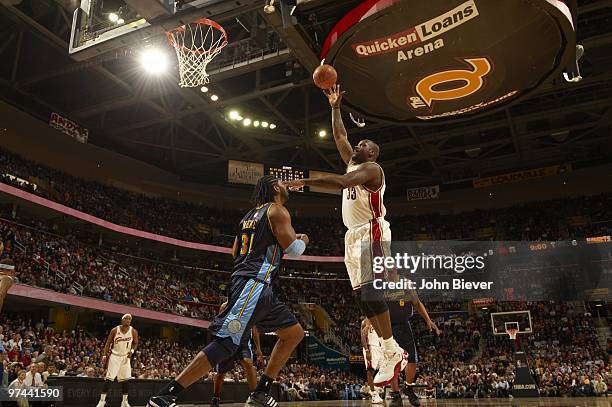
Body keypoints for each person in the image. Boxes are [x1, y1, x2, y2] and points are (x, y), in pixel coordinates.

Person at [148, 176, 308, 407]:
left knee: (294, 334)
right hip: (254, 285)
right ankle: (166, 394)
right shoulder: (277, 210)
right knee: (226, 342)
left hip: (258, 287)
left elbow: (235, 252)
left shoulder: (247, 217)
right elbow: (294, 249)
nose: (286, 186)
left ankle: (260, 392)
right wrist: (304, 238)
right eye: (283, 183)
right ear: (275, 188)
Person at [286, 84, 406, 385]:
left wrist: (306, 181)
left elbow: (340, 182)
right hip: (352, 235)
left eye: (363, 143)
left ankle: (392, 351)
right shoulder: (355, 161)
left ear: (372, 152)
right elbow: (340, 136)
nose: (358, 145)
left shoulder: (372, 169)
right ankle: (390, 350)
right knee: (360, 298)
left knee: (370, 291)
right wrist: (335, 106)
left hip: (373, 230)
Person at [388, 299, 441, 407]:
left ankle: (408, 387)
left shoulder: (406, 285)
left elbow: (417, 303)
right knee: (391, 363)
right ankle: (395, 395)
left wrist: (428, 320)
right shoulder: (380, 285)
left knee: (412, 361)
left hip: (404, 325)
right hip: (387, 326)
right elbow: (374, 305)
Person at [210, 301, 262, 407]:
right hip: (228, 340)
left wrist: (258, 348)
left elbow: (255, 329)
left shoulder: (251, 307)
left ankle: (254, 397)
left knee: (248, 363)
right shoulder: (225, 306)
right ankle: (215, 397)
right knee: (221, 373)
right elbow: (219, 322)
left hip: (244, 342)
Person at [96, 314, 139, 407]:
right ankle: (102, 401)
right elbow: (108, 343)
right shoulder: (115, 330)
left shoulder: (133, 331)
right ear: (122, 320)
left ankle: (124, 402)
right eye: (126, 318)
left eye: (130, 319)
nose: (128, 320)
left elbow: (136, 343)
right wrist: (104, 355)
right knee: (109, 379)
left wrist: (132, 350)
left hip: (125, 357)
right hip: (115, 356)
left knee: (125, 380)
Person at [361, 318, 383, 404]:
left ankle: (376, 387)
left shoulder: (378, 320)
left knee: (385, 367)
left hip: (379, 347)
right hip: (370, 347)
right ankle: (373, 394)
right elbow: (363, 337)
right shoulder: (364, 322)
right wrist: (366, 350)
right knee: (370, 371)